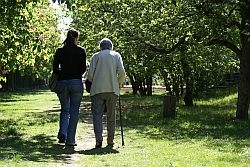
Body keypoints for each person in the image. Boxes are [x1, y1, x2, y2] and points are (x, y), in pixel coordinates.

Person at [87, 38, 125, 148]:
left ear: (100, 47)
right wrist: (119, 83)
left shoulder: (96, 56)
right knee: (111, 115)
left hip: (97, 90)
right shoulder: (116, 55)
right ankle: (110, 139)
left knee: (97, 116)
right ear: (111, 47)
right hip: (112, 89)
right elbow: (121, 72)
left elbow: (89, 75)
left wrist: (95, 79)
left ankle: (98, 139)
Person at [53, 28, 86, 146]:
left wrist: (63, 71)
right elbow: (83, 69)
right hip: (76, 82)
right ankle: (70, 140)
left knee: (64, 109)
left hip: (62, 83)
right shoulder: (81, 51)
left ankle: (62, 133)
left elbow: (55, 69)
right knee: (74, 111)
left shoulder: (59, 51)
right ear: (76, 38)